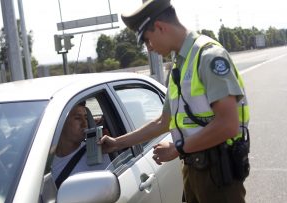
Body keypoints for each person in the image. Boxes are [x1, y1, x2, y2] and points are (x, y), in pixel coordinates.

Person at [100, 0, 250, 202]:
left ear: (160, 27)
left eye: (147, 40)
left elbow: (228, 124)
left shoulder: (208, 56)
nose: (149, 49)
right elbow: (163, 122)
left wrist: (177, 149)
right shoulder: (179, 65)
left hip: (219, 173)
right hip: (193, 170)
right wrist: (117, 143)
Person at [51, 103, 111, 187]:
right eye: (78, 118)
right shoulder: (44, 159)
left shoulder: (97, 155)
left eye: (86, 118)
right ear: (60, 123)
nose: (84, 124)